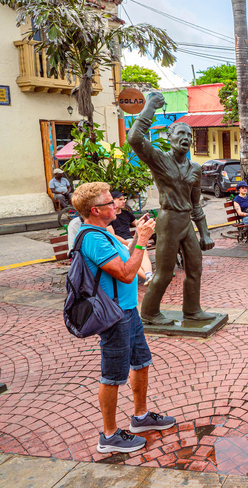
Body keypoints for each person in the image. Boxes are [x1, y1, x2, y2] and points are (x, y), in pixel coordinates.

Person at [70, 182, 175, 454]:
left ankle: (140, 417)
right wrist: (141, 240)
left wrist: (137, 237)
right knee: (113, 376)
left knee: (141, 362)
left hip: (128, 310)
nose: (117, 204)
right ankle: (109, 435)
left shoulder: (104, 232)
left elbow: (127, 258)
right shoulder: (92, 237)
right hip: (114, 316)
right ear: (96, 209)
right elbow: (127, 273)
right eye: (110, 202)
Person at [127, 92, 218, 325]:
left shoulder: (195, 169)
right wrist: (150, 107)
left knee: (195, 269)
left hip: (186, 222)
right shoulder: (159, 159)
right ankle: (149, 312)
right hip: (168, 220)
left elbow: (196, 204)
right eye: (180, 133)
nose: (186, 138)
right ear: (170, 137)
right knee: (165, 273)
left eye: (189, 134)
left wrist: (205, 233)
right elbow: (135, 138)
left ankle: (192, 310)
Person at [109, 191, 154, 284]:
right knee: (130, 255)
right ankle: (149, 277)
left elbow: (137, 224)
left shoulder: (126, 213)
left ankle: (149, 275)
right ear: (112, 201)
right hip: (118, 243)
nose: (123, 201)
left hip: (130, 240)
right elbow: (112, 236)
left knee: (141, 250)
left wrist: (142, 220)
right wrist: (129, 244)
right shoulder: (109, 216)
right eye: (120, 199)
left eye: (123, 199)